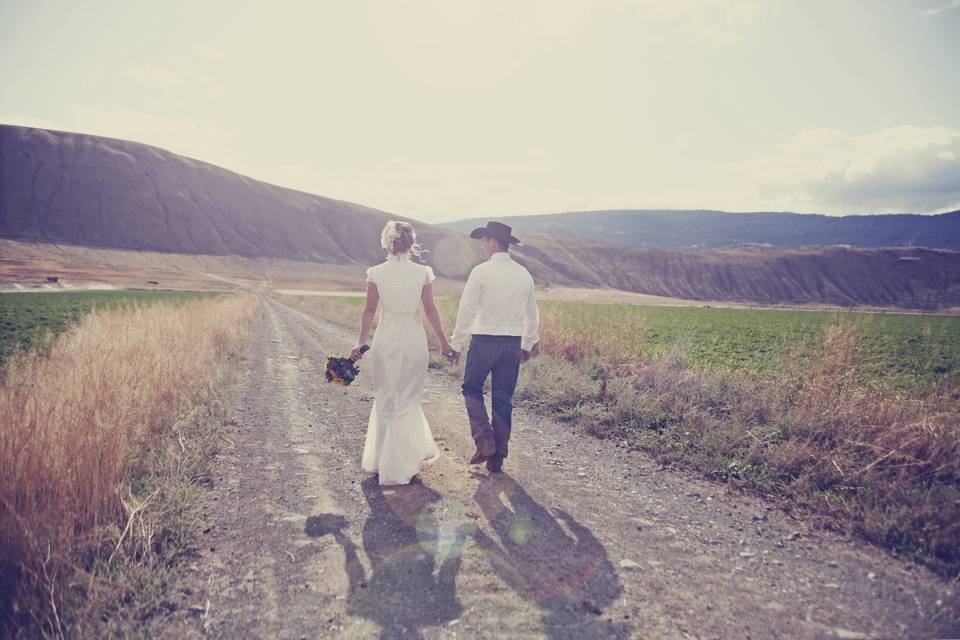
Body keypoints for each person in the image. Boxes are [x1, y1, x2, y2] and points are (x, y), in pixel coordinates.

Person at [352, 221, 453, 485]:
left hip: (385, 339)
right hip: (413, 340)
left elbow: (370, 311)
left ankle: (382, 462)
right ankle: (402, 464)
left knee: (386, 396)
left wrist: (361, 343)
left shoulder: (375, 272)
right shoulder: (422, 272)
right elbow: (431, 310)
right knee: (408, 398)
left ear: (387, 243)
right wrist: (443, 343)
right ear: (411, 244)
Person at [446, 221, 540, 473]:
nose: (482, 245)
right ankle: (498, 457)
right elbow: (532, 315)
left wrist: (456, 343)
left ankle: (484, 440)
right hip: (511, 343)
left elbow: (467, 311)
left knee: (471, 388)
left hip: (483, 340)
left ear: (492, 242)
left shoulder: (481, 272)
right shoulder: (524, 274)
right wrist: (528, 344)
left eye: (483, 240)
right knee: (502, 398)